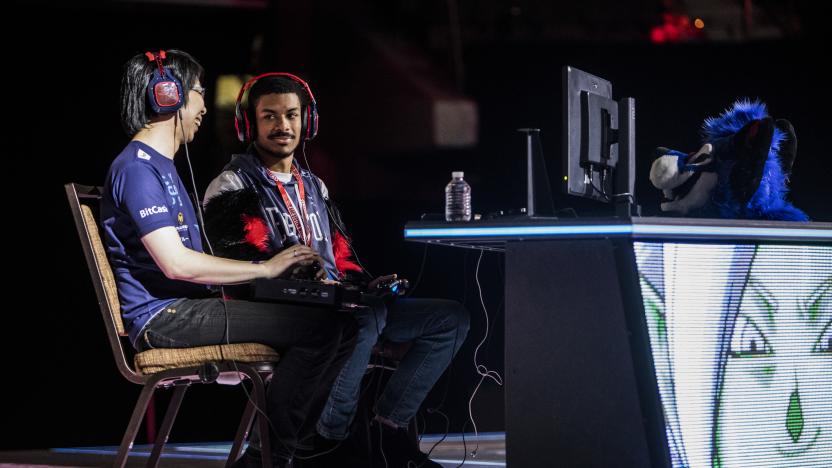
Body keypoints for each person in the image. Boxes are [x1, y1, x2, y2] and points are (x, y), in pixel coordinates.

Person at [101, 51, 358, 468]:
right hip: (163, 318)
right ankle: (268, 457)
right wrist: (266, 268)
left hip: (188, 307)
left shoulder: (162, 167)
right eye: (200, 93)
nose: (205, 106)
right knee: (323, 330)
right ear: (169, 96)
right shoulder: (136, 169)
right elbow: (177, 265)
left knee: (340, 323)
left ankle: (275, 452)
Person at [203, 73, 470, 467]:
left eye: (292, 115)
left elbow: (341, 256)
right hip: (287, 315)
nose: (283, 126)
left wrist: (363, 282)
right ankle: (332, 442)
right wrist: (309, 282)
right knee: (361, 317)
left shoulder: (314, 185)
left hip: (339, 303)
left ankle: (387, 430)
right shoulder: (231, 185)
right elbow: (243, 269)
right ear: (249, 124)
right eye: (270, 117)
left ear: (307, 121)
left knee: (450, 319)